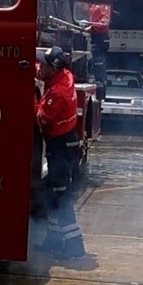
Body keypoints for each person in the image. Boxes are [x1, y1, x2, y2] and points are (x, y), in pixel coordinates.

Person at [35, 46, 86, 260]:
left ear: (53, 68)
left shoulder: (57, 94)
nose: (39, 66)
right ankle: (54, 241)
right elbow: (40, 72)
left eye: (43, 64)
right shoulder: (64, 75)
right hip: (64, 143)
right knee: (53, 195)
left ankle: (75, 246)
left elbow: (40, 118)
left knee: (60, 196)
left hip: (60, 146)